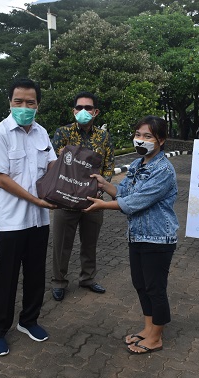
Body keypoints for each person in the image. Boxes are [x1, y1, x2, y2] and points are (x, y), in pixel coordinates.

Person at [85, 115, 178, 355]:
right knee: (141, 285)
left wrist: (102, 205)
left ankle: (156, 337)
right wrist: (105, 184)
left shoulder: (164, 170)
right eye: (138, 134)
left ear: (161, 139)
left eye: (148, 136)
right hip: (137, 235)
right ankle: (148, 329)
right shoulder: (138, 165)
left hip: (158, 237)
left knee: (155, 288)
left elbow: (137, 201)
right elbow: (123, 191)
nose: (141, 140)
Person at [0, 78, 57, 356]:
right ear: (10, 103)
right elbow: (1, 179)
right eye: (19, 102)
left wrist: (65, 185)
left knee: (36, 273)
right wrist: (37, 199)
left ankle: (28, 321)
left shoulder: (41, 132)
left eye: (30, 102)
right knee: (7, 276)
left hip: (40, 218)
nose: (24, 107)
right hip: (12, 220)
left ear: (37, 105)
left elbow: (52, 164)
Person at [50, 92, 115, 301]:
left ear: (96, 112)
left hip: (92, 201)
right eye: (79, 108)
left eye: (88, 108)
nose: (83, 112)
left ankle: (87, 278)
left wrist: (99, 188)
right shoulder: (63, 133)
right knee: (61, 245)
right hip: (65, 200)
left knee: (90, 243)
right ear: (74, 111)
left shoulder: (104, 137)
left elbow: (108, 166)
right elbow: (54, 164)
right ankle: (59, 281)